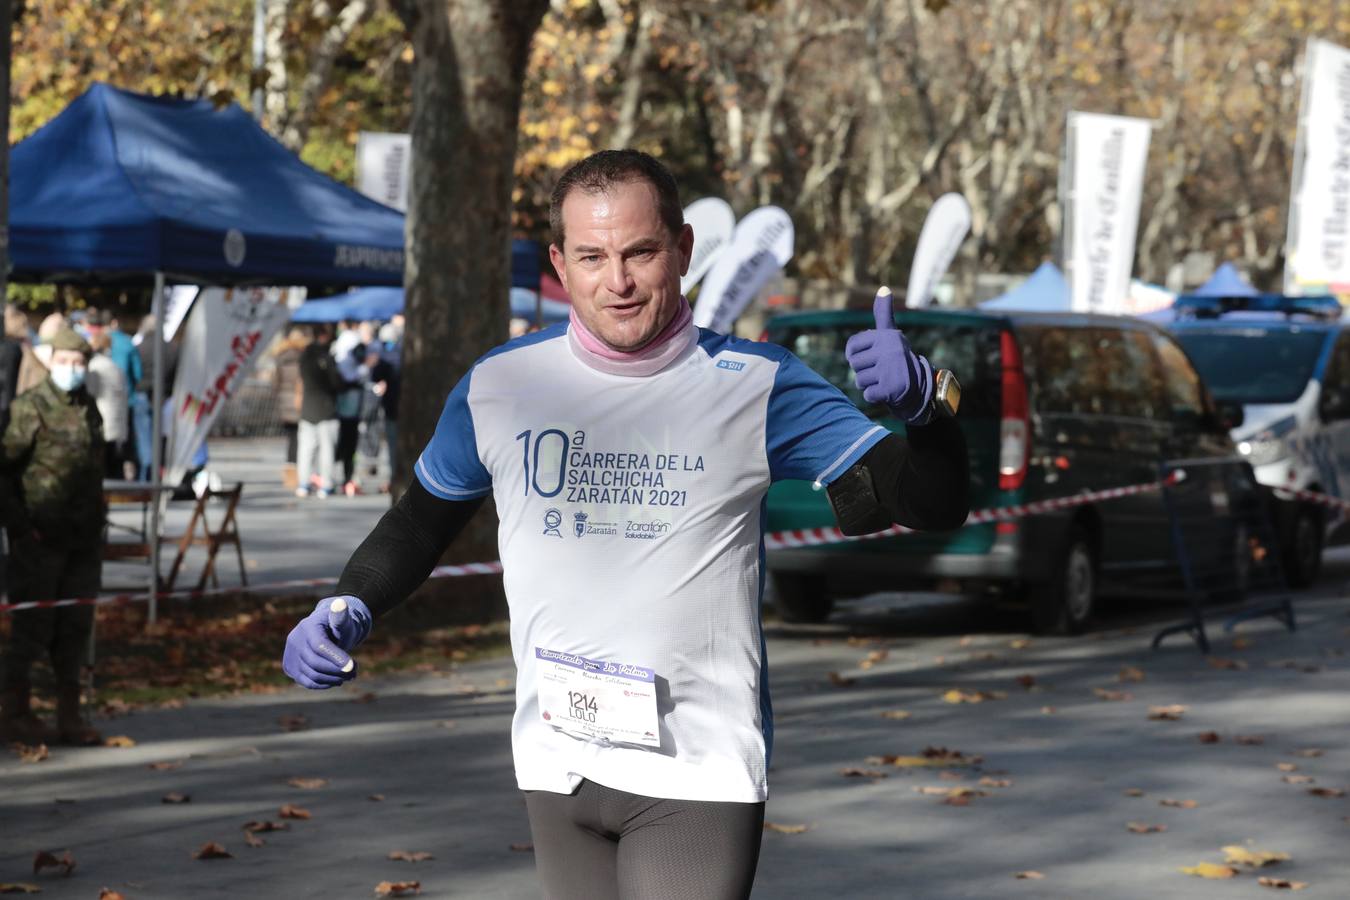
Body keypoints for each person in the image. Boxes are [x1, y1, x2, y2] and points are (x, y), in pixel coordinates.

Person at [279, 150, 968, 899]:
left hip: (695, 774)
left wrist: (926, 410)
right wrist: (348, 603)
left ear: (682, 250)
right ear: (559, 263)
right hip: (556, 761)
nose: (619, 281)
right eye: (592, 256)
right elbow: (420, 521)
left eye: (640, 252)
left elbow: (927, 504)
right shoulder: (500, 386)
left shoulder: (758, 387)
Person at [0, 327, 107, 746]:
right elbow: (3, 470)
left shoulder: (89, 407)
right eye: (66, 361)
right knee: (31, 628)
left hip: (82, 540)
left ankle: (69, 716)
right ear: (51, 361)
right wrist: (20, 527)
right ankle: (15, 714)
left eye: (79, 362)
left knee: (75, 628)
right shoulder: (30, 407)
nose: (73, 369)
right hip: (40, 539)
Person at [297, 324, 343, 498]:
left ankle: (303, 483)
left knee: (306, 450)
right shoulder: (326, 356)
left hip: (307, 407)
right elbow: (336, 382)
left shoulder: (304, 356)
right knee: (327, 450)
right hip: (326, 408)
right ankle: (326, 484)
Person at [85, 332, 130, 478]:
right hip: (117, 425)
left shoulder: (94, 367)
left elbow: (89, 396)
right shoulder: (116, 368)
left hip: (101, 425)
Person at [272, 327, 309, 490]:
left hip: (284, 403)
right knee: (301, 439)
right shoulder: (303, 357)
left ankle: (289, 473)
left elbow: (276, 382)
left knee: (291, 438)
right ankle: (300, 473)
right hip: (300, 401)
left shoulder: (281, 357)